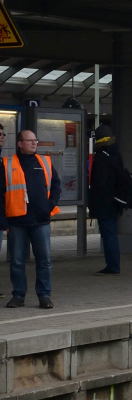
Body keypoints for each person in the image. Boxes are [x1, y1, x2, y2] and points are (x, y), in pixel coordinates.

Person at [2, 130, 61, 308]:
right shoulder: (6, 164)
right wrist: (3, 221)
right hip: (16, 221)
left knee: (44, 260)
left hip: (40, 220)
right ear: (20, 143)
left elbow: (56, 185)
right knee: (17, 262)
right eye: (30, 141)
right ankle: (18, 296)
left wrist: (49, 206)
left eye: (35, 140)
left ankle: (44, 296)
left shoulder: (45, 161)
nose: (34, 143)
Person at [88, 125, 126, 275]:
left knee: (108, 234)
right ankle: (113, 264)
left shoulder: (102, 156)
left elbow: (100, 182)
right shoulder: (115, 153)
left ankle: (113, 266)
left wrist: (94, 200)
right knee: (111, 233)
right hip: (114, 200)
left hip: (105, 202)